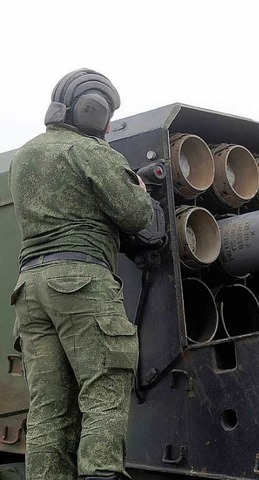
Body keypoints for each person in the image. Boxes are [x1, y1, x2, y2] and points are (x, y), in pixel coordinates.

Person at [9, 69, 153, 480]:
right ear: (95, 113)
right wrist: (140, 190)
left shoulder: (26, 156)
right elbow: (136, 214)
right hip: (81, 280)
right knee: (104, 390)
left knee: (48, 410)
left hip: (30, 290)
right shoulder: (89, 151)